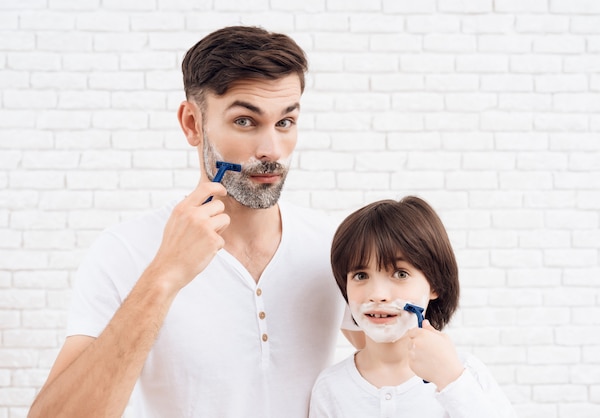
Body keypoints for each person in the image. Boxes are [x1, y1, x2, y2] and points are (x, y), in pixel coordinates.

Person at [28, 26, 361, 418]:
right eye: (244, 121)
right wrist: (164, 275)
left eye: (285, 122)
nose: (271, 150)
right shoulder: (125, 252)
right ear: (192, 124)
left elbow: (396, 373)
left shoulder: (333, 247)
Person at [309, 196, 516, 418]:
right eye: (361, 275)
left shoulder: (465, 374)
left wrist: (451, 380)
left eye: (400, 274)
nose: (378, 294)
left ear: (435, 284)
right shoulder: (330, 388)